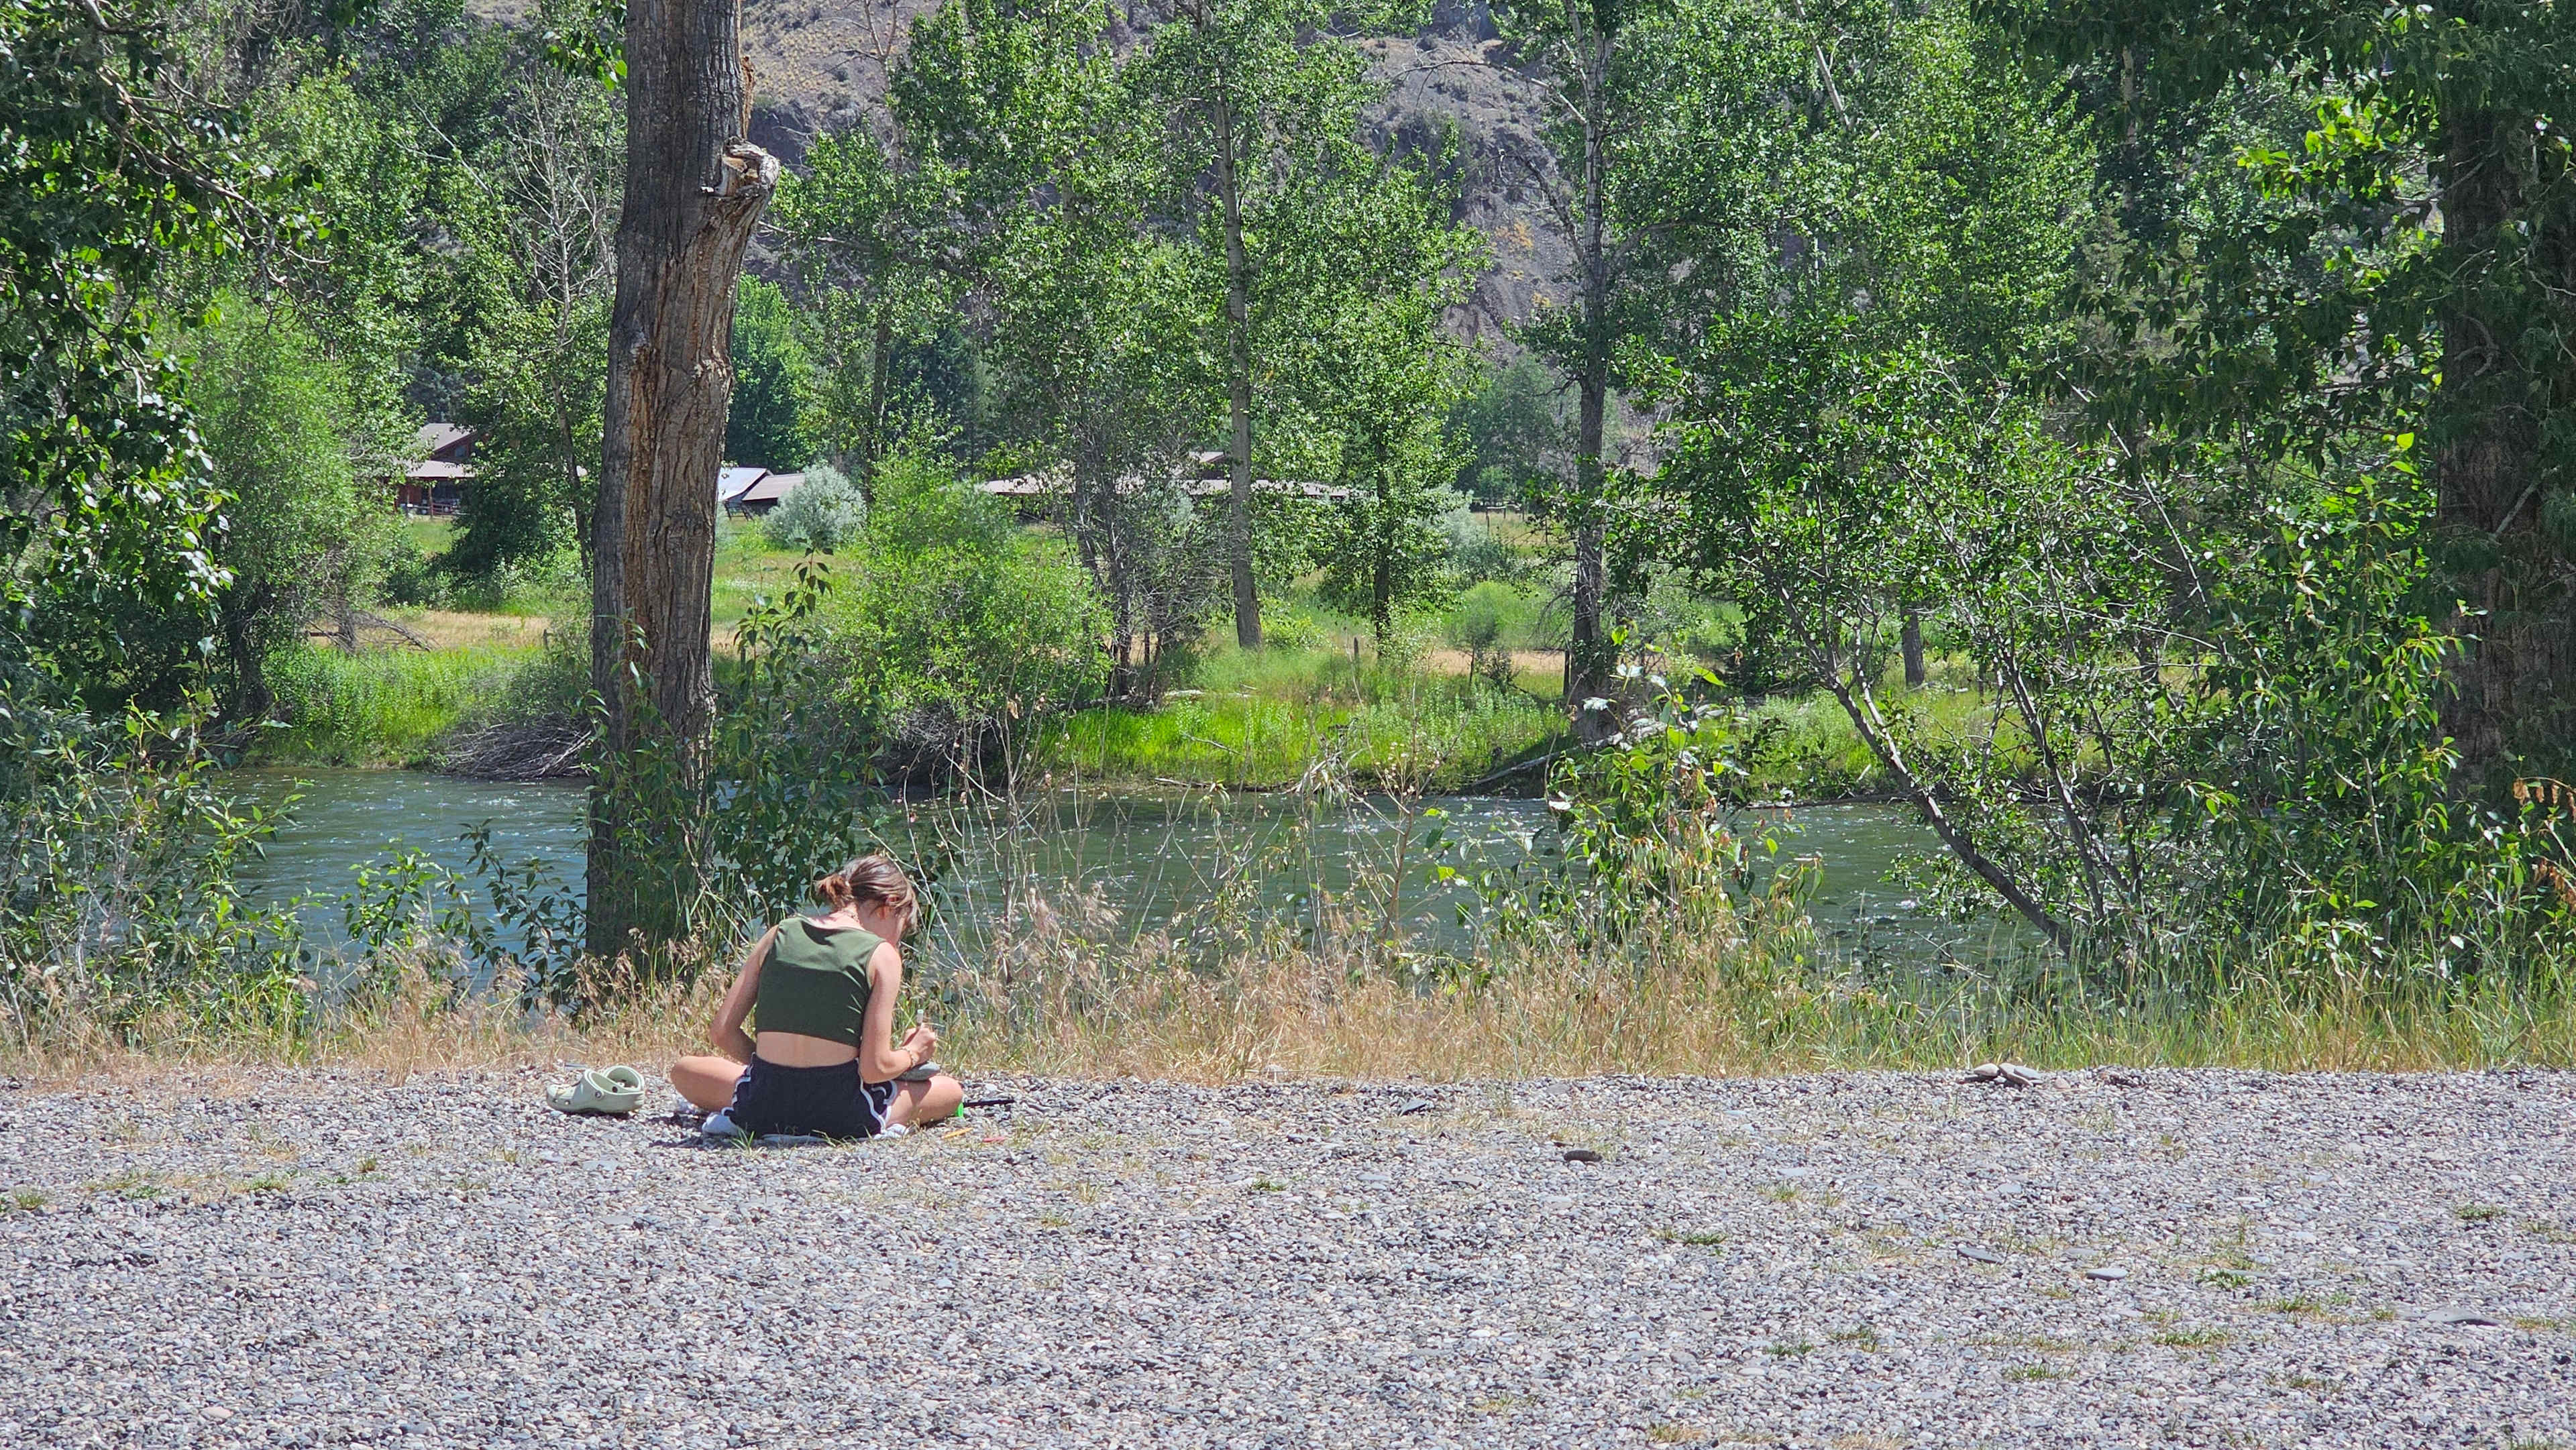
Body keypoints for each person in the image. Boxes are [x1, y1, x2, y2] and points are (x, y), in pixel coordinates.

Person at [669, 854, 963, 1138]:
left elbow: (722, 1032)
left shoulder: (778, 934)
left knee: (685, 1070)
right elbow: (875, 1069)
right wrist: (914, 1054)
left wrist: (776, 1070)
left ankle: (776, 1088)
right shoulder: (881, 954)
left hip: (761, 1107)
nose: (896, 940)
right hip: (842, 1116)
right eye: (901, 929)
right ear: (888, 907)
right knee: (951, 1090)